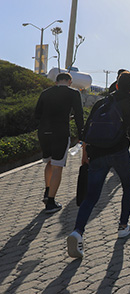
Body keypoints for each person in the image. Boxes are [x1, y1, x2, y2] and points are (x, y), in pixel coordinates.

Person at [66, 71, 130, 259]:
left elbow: (86, 130)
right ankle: (123, 226)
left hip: (96, 153)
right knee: (128, 185)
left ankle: (77, 232)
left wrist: (84, 154)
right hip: (119, 152)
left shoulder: (101, 103)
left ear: (116, 85)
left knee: (91, 196)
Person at [34, 71, 84, 213]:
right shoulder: (73, 93)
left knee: (49, 162)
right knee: (57, 166)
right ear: (70, 82)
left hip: (44, 132)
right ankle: (51, 202)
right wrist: (82, 135)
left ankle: (47, 191)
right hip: (60, 132)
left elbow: (37, 114)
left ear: (56, 82)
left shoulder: (45, 93)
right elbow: (79, 115)